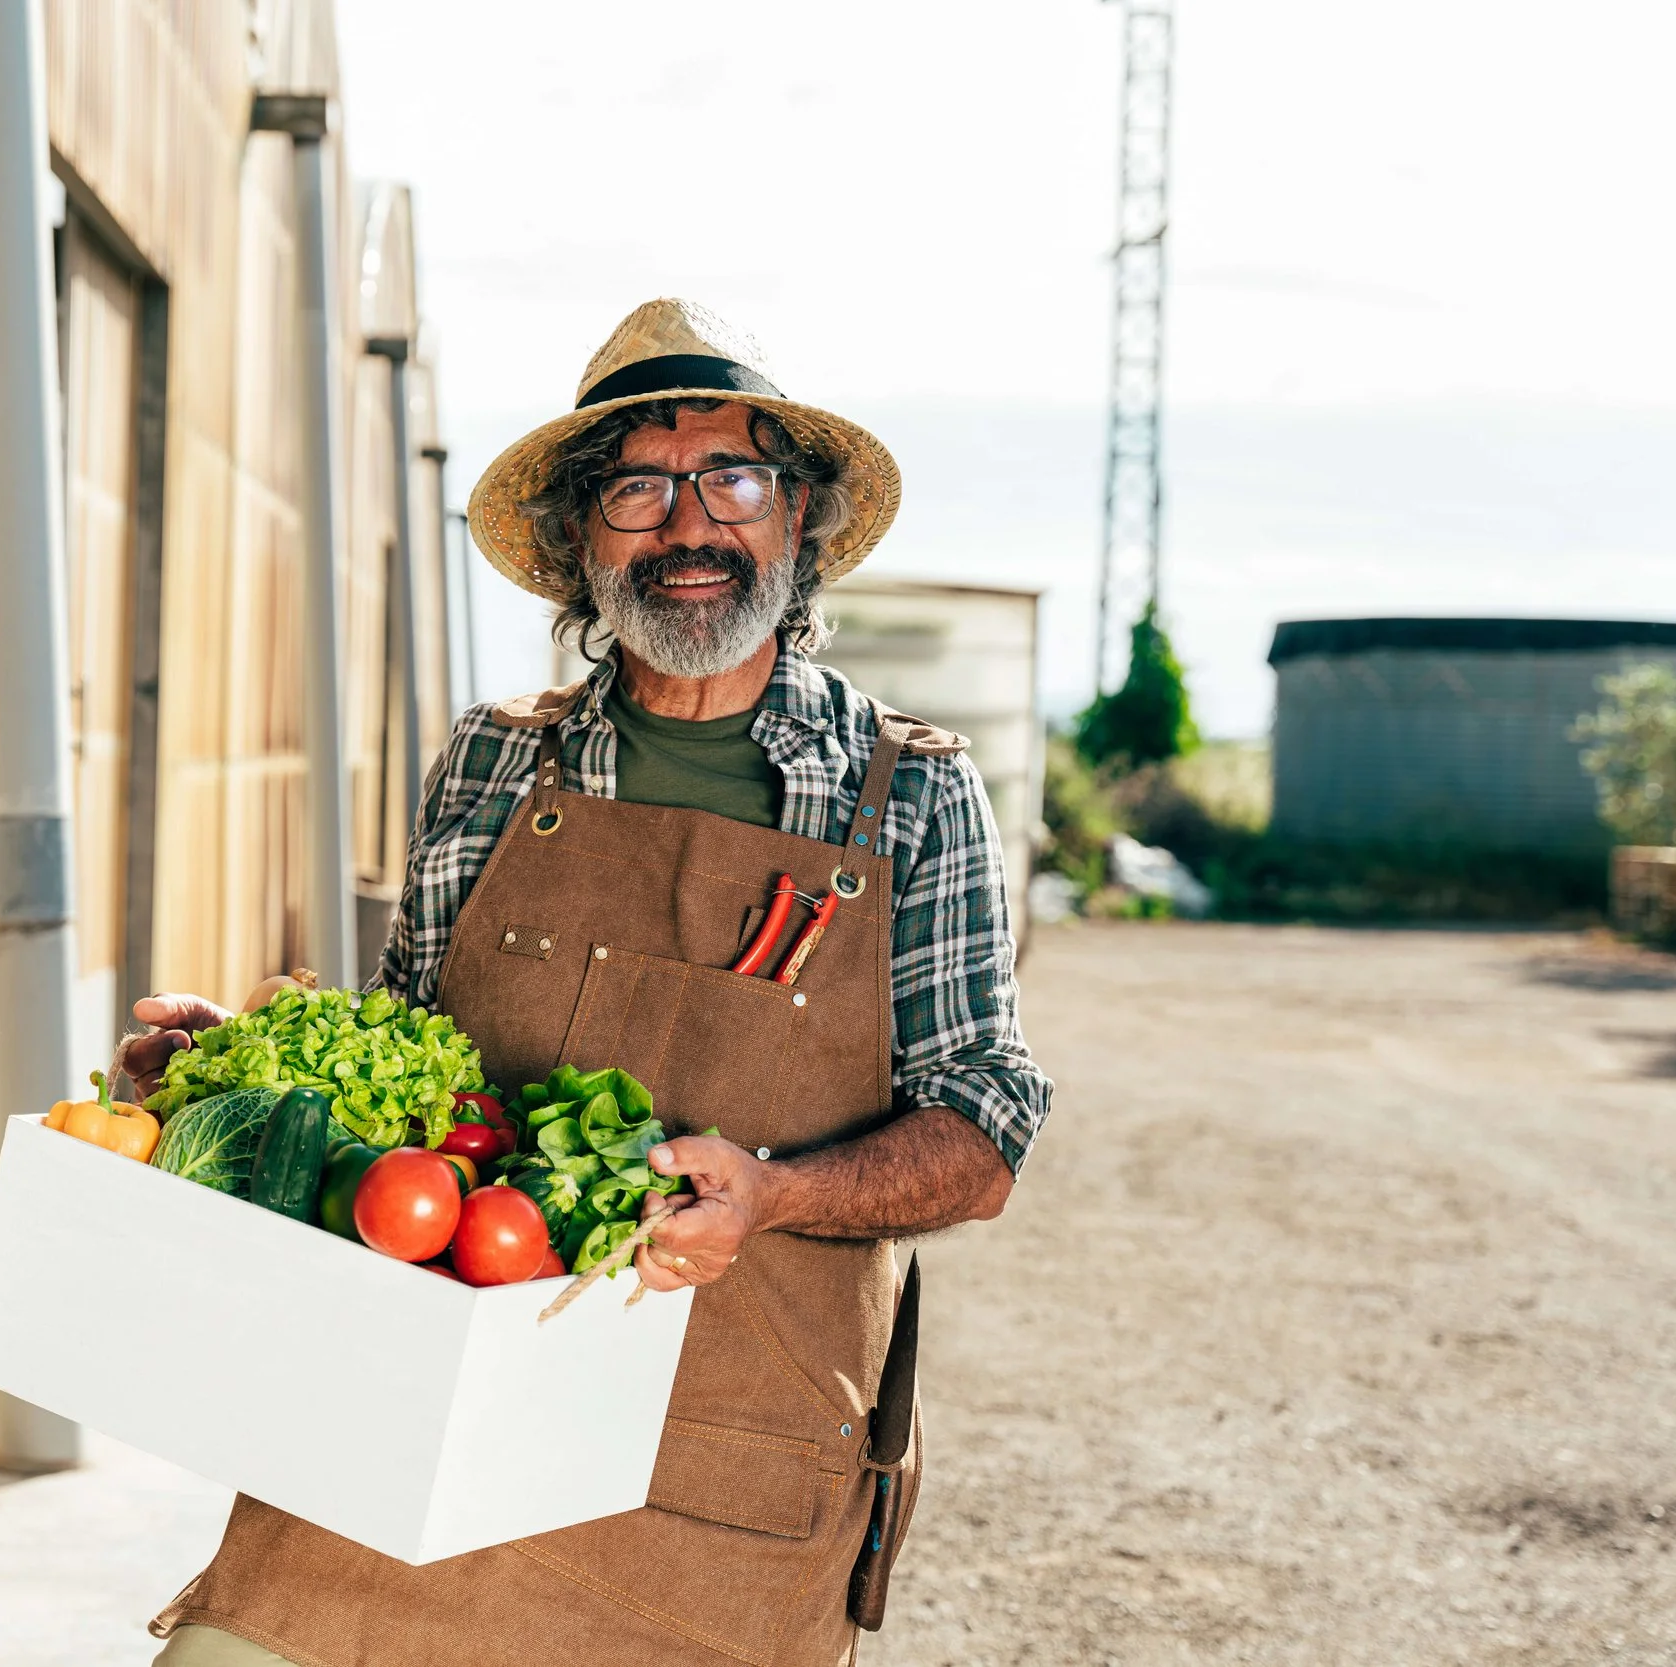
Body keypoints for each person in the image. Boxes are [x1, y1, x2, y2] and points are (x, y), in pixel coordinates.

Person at [126, 299, 1052, 1667]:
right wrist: (255, 1081)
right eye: (637, 485)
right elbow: (410, 1079)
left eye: (733, 477)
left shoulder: (909, 795)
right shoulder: (495, 763)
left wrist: (778, 1192)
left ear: (796, 519)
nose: (689, 525)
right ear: (578, 537)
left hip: (719, 1475)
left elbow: (980, 1135)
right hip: (426, 1430)